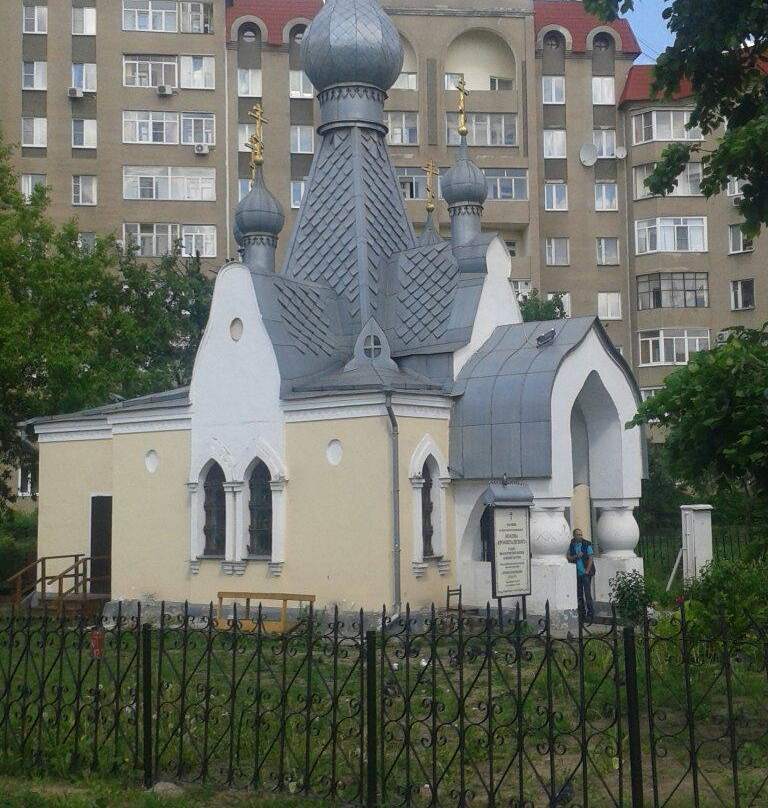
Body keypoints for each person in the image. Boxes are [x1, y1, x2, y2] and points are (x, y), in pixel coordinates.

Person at [567, 528, 594, 621]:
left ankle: (590, 614)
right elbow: (569, 557)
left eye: (581, 534)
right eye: (578, 535)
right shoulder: (571, 545)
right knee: (579, 594)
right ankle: (581, 614)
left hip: (585, 574)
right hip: (576, 574)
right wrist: (576, 556)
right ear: (574, 536)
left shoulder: (587, 544)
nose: (580, 536)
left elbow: (591, 558)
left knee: (587, 594)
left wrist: (587, 570)